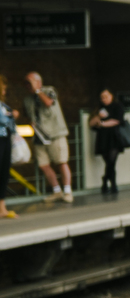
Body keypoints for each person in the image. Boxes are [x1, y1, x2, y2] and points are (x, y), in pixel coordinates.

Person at [22, 71, 72, 202]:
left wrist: (37, 90)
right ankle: (57, 191)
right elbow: (28, 115)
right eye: (26, 83)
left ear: (38, 82)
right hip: (39, 136)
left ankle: (67, 191)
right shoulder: (27, 99)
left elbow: (49, 103)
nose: (28, 86)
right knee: (43, 164)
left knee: (61, 162)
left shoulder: (49, 90)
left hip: (55, 134)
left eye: (30, 82)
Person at [88, 88, 125, 194]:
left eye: (106, 96)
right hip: (103, 138)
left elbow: (117, 121)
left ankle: (110, 182)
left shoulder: (117, 107)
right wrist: (98, 117)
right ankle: (109, 183)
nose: (104, 99)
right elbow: (91, 124)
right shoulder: (99, 109)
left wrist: (103, 124)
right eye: (102, 97)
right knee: (108, 161)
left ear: (111, 96)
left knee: (111, 161)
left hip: (114, 137)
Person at [0, 75, 17, 219]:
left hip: (5, 139)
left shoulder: (4, 106)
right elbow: (5, 119)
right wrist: (11, 116)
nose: (5, 91)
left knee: (4, 172)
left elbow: (11, 124)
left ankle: (2, 208)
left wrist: (11, 117)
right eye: (3, 88)